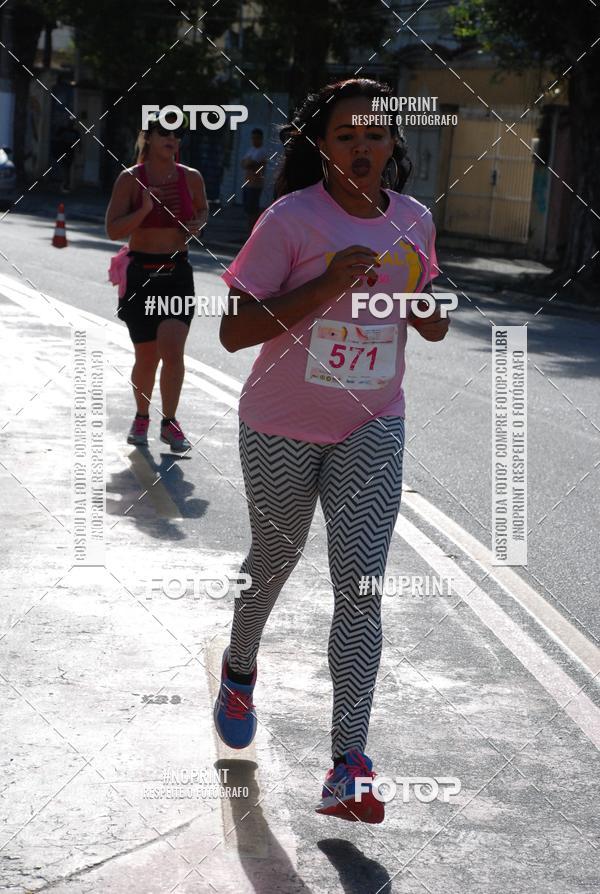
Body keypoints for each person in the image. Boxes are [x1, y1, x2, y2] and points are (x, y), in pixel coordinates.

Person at [213, 78, 450, 824]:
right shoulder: (290, 219)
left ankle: (349, 764)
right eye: (345, 135)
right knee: (273, 563)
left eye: (374, 134)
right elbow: (233, 331)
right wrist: (322, 288)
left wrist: (424, 303)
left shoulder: (413, 219)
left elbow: (433, 321)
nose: (360, 146)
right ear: (322, 146)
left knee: (362, 587)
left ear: (392, 146)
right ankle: (239, 670)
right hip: (282, 421)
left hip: (373, 422)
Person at [105, 113, 208, 451]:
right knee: (146, 357)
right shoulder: (130, 179)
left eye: (178, 135)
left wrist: (197, 224)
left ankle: (169, 422)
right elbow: (113, 230)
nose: (173, 139)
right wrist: (144, 210)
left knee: (173, 350)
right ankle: (141, 416)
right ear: (148, 137)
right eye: (166, 133)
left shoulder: (190, 177)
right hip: (141, 275)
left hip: (176, 273)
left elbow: (203, 210)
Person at [240, 128, 269, 232]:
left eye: (256, 138)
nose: (254, 140)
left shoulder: (262, 151)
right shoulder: (251, 150)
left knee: (253, 209)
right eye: (253, 138)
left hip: (255, 184)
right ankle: (249, 230)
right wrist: (249, 163)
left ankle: (253, 230)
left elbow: (250, 164)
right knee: (248, 209)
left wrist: (250, 163)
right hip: (247, 183)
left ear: (261, 139)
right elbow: (243, 164)